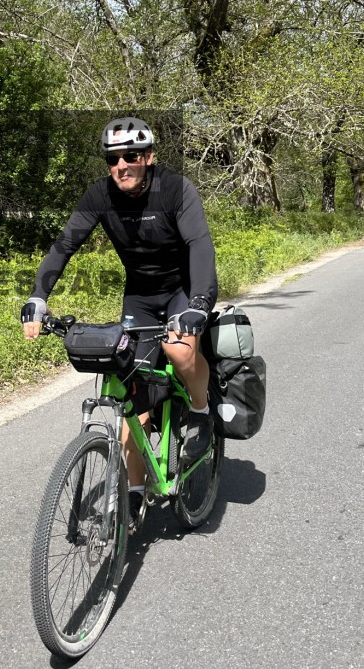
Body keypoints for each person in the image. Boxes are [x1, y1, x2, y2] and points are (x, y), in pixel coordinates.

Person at [21, 116, 218, 528]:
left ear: (149, 157)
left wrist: (199, 303)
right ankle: (132, 495)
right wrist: (38, 296)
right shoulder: (100, 195)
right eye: (113, 158)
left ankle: (200, 410)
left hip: (182, 291)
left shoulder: (176, 190)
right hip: (141, 297)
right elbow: (64, 245)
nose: (122, 165)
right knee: (132, 394)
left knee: (179, 352)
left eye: (131, 155)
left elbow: (200, 246)